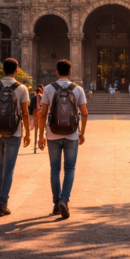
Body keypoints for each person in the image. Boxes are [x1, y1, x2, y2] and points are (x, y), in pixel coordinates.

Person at [38, 59, 88, 220]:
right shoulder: (78, 89)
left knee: (54, 170)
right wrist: (82, 132)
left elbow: (43, 114)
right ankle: (64, 200)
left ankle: (56, 203)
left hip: (52, 134)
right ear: (71, 72)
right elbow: (85, 113)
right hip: (72, 134)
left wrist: (40, 136)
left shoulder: (48, 89)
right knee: (70, 169)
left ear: (57, 72)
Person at [0, 58, 31, 216]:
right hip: (14, 132)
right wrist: (28, 133)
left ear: (2, 70)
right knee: (9, 168)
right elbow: (24, 112)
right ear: (17, 70)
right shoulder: (22, 88)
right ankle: (2, 202)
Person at [31, 85, 44, 153]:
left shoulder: (33, 98)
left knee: (36, 131)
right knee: (41, 131)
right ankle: (41, 141)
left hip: (35, 115)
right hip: (42, 116)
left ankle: (35, 143)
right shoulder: (43, 97)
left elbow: (30, 108)